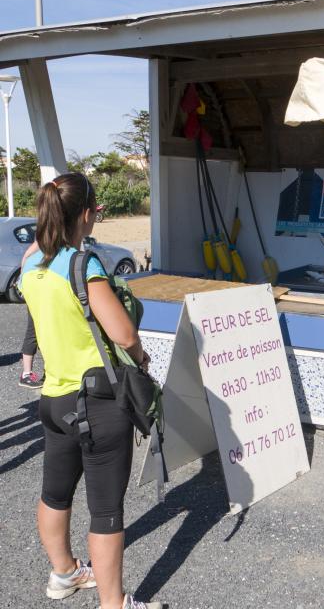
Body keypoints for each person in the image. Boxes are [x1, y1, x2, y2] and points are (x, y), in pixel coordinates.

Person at [20, 173, 161, 609]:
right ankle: (114, 604)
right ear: (85, 213)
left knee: (55, 493)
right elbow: (121, 332)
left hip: (54, 398)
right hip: (97, 402)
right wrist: (141, 357)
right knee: (106, 511)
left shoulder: (31, 263)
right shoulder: (83, 265)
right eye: (96, 211)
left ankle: (63, 573)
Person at [19, 240, 44, 389]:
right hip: (38, 290)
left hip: (34, 289)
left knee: (35, 330)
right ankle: (26, 374)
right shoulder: (43, 242)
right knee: (34, 330)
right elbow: (26, 256)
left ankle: (28, 373)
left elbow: (26, 257)